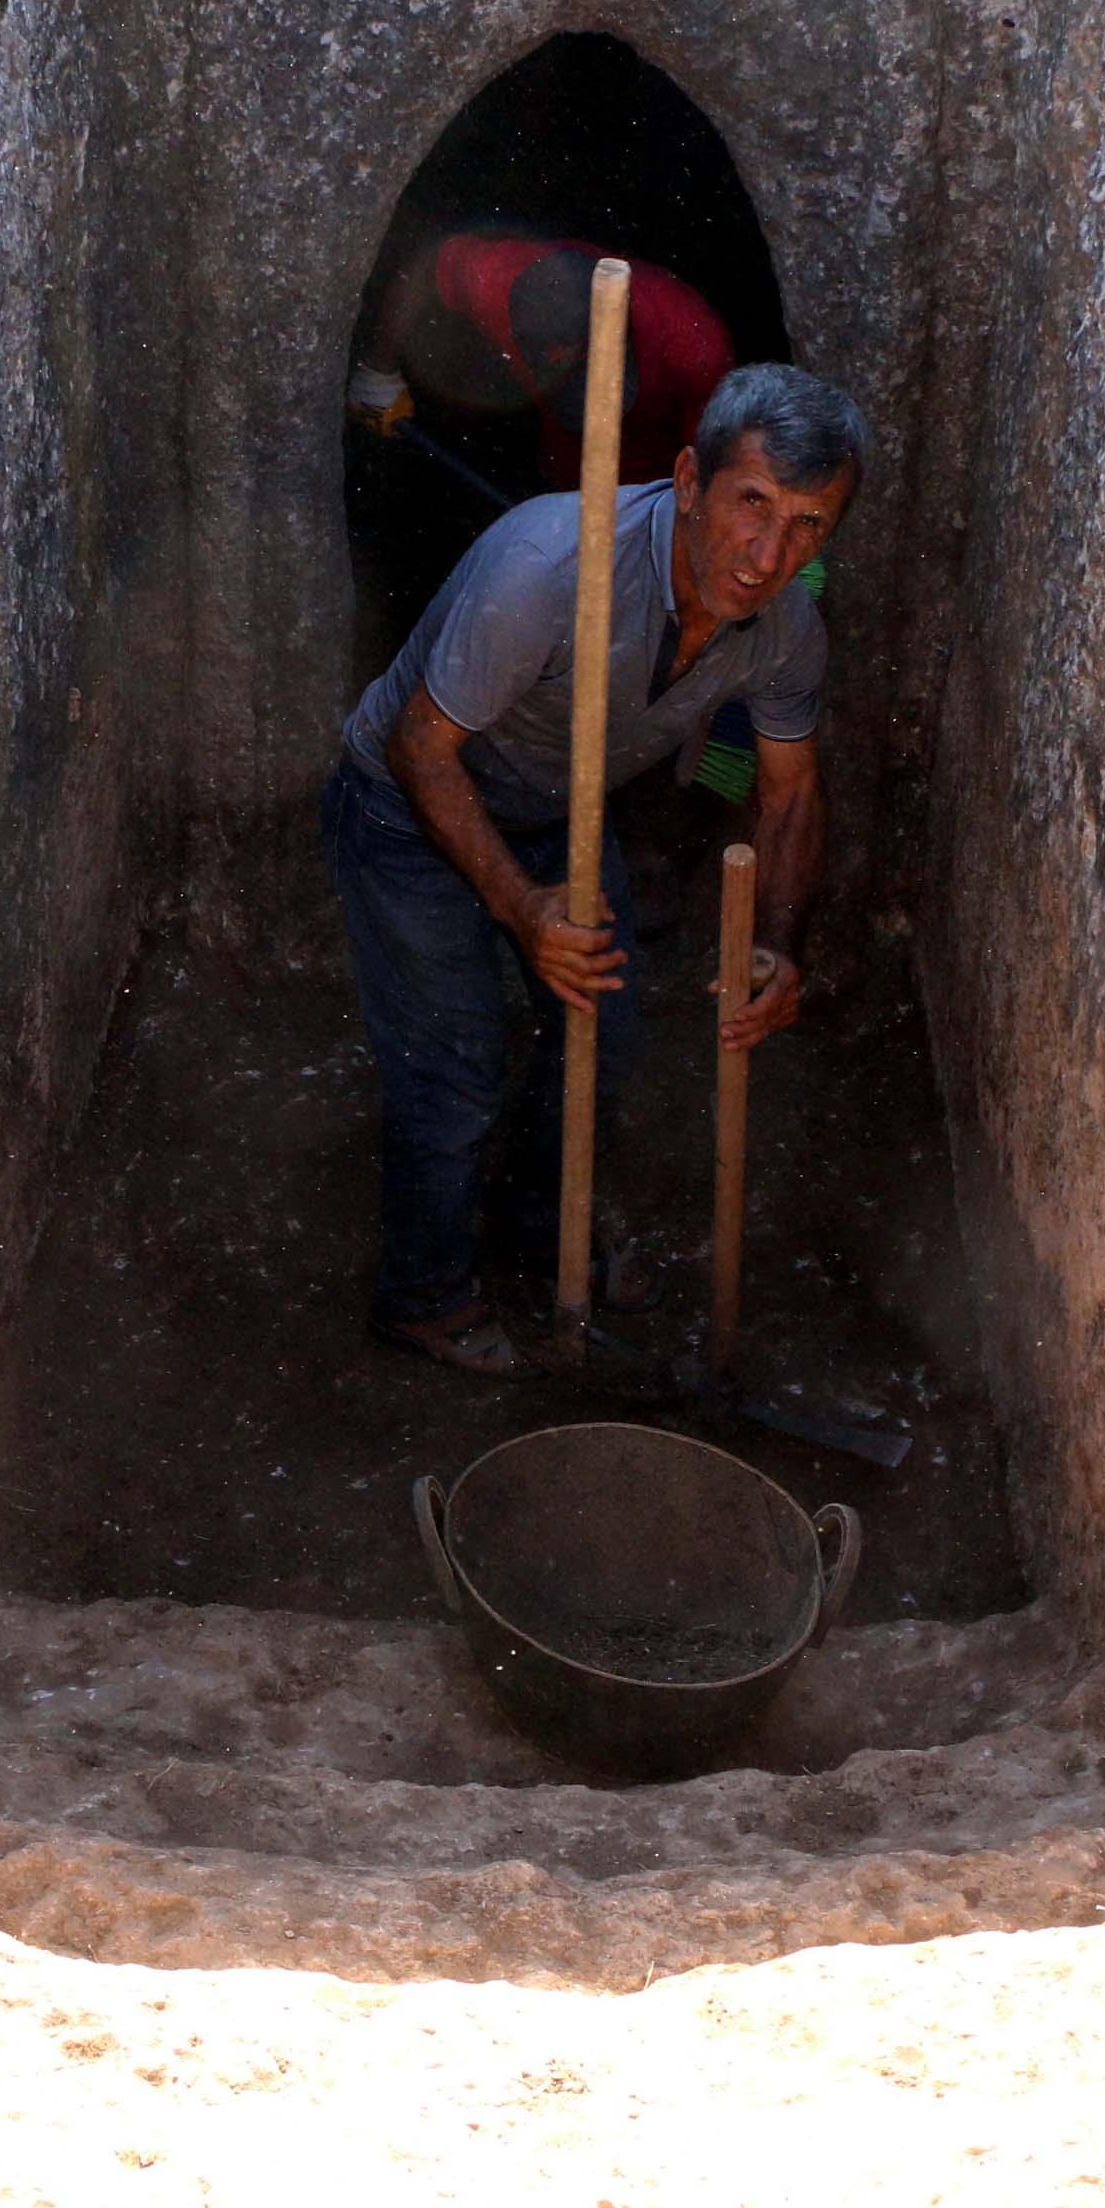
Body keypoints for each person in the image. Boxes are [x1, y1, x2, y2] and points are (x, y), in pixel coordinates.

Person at [323, 363, 866, 1378]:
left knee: (604, 1035)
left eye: (806, 526)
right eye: (751, 504)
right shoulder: (546, 568)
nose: (767, 554)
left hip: (551, 809)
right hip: (405, 804)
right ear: (689, 478)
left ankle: (539, 1227)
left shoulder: (785, 628)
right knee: (456, 1065)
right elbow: (419, 747)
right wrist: (523, 908)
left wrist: (777, 944)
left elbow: (788, 794)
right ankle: (424, 1294)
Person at [346, 228, 738, 491]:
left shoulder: (691, 342)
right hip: (564, 474)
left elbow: (717, 479)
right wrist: (377, 371)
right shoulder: (495, 280)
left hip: (656, 489)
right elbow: (422, 271)